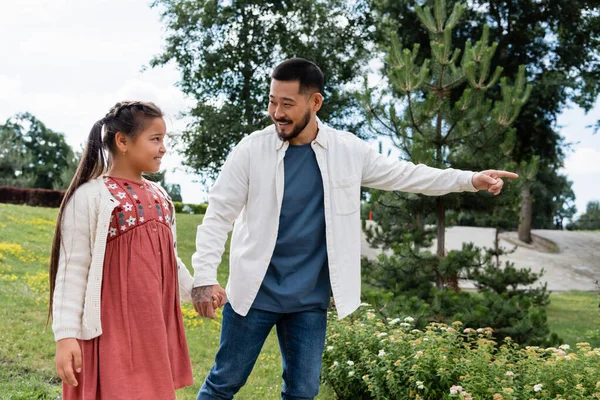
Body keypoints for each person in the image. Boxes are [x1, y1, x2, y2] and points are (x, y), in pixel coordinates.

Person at [191, 58, 519, 400]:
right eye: (273, 101)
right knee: (224, 382)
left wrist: (469, 180)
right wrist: (204, 277)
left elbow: (408, 175)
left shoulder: (347, 150)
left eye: (287, 104)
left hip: (308, 300)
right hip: (253, 293)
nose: (277, 112)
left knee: (303, 392)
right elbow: (218, 215)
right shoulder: (250, 150)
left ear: (315, 102)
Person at [49, 101, 208, 399]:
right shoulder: (89, 197)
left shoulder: (161, 196)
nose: (163, 148)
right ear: (122, 141)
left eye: (164, 140)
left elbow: (169, 259)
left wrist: (196, 290)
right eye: (155, 139)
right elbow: (71, 272)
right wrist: (66, 336)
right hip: (110, 333)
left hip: (151, 329)